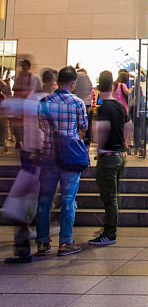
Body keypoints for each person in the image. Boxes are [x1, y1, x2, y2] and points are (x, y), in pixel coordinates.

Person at [35, 65, 89, 257]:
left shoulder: (44, 102)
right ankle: (65, 242)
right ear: (73, 84)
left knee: (44, 200)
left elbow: (42, 126)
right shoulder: (77, 103)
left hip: (49, 156)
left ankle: (42, 243)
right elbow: (83, 126)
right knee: (68, 199)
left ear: (58, 82)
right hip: (70, 158)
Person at [4, 69, 55, 263]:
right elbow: (41, 132)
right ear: (52, 83)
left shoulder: (32, 101)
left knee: (21, 203)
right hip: (39, 158)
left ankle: (26, 246)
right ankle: (35, 241)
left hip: (31, 158)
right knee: (31, 202)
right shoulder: (45, 102)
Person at [88, 70, 130, 246]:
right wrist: (125, 144)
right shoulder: (120, 106)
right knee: (113, 196)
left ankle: (109, 232)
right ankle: (108, 227)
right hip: (120, 156)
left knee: (109, 197)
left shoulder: (102, 108)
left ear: (98, 87)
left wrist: (100, 148)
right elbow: (129, 126)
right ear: (112, 86)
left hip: (109, 157)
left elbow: (101, 131)